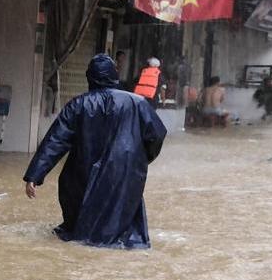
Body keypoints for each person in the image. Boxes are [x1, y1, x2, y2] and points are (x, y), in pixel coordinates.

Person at [24, 54, 167, 250]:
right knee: (122, 226)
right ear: (114, 75)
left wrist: (34, 175)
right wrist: (138, 161)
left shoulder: (78, 105)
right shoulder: (137, 103)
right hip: (123, 175)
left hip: (83, 173)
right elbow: (157, 135)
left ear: (89, 77)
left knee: (81, 231)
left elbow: (55, 141)